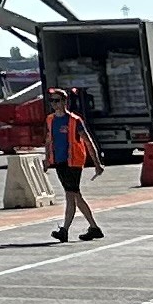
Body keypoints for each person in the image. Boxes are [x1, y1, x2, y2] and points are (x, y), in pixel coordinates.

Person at [46, 86, 103, 241]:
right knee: (75, 196)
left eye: (57, 100)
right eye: (52, 101)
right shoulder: (50, 119)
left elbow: (88, 141)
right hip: (59, 162)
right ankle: (94, 227)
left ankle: (64, 230)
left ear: (65, 101)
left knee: (71, 196)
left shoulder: (74, 121)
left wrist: (97, 163)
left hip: (73, 163)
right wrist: (47, 159)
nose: (54, 104)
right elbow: (49, 139)